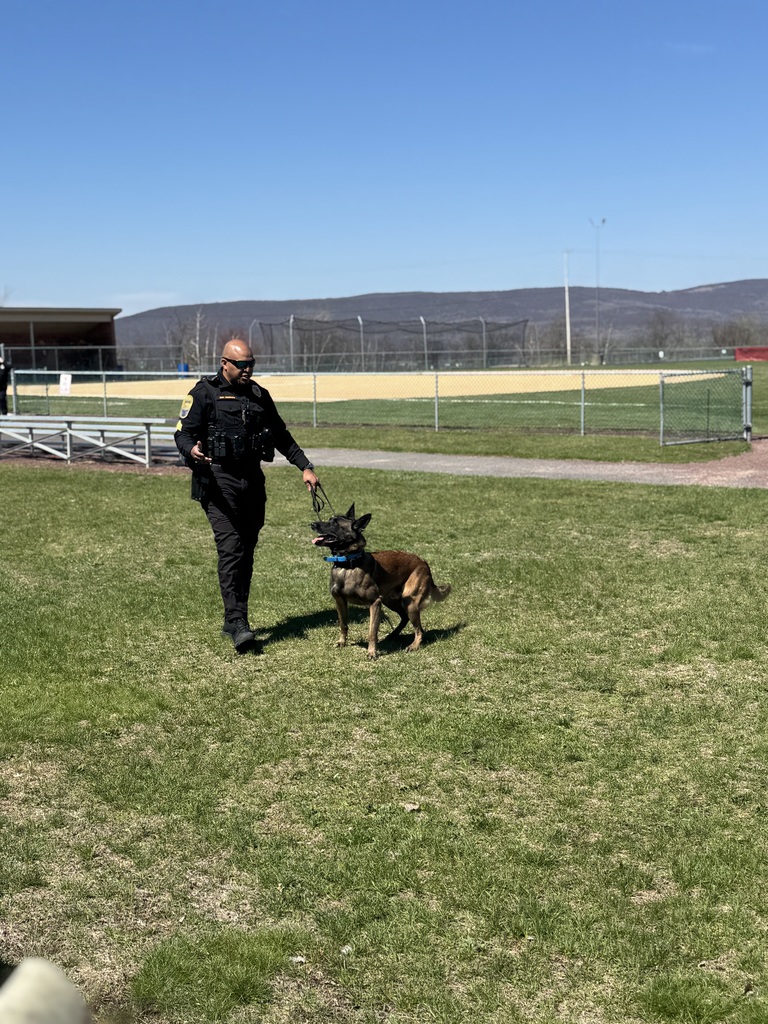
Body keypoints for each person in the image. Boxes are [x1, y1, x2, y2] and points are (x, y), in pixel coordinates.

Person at [174, 339, 319, 651]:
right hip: (217, 480)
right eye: (242, 364)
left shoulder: (258, 395)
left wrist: (304, 466)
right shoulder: (204, 393)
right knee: (232, 548)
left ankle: (234, 616)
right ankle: (238, 621)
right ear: (224, 362)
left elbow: (281, 435)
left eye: (251, 363)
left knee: (247, 548)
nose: (248, 369)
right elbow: (182, 433)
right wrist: (191, 450)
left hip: (251, 479)